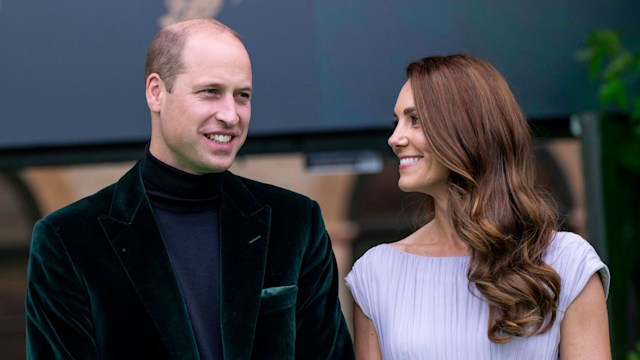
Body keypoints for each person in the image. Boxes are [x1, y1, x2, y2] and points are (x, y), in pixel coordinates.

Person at [25, 18, 355, 360]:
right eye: (210, 91)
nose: (231, 115)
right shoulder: (67, 239)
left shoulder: (297, 223)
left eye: (242, 95)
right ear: (156, 92)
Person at [345, 54, 611, 359]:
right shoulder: (376, 272)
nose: (395, 139)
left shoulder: (568, 262)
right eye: (397, 122)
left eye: (414, 119)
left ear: (465, 129)